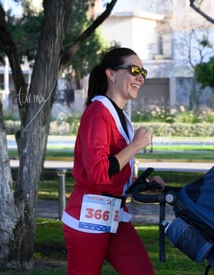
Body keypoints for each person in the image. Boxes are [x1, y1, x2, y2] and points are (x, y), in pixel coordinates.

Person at [62, 47, 165, 275]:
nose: (140, 77)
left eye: (143, 72)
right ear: (111, 73)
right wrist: (135, 146)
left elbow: (115, 171)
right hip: (88, 216)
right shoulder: (97, 112)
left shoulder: (120, 116)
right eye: (134, 70)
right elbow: (99, 173)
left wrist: (142, 184)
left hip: (114, 215)